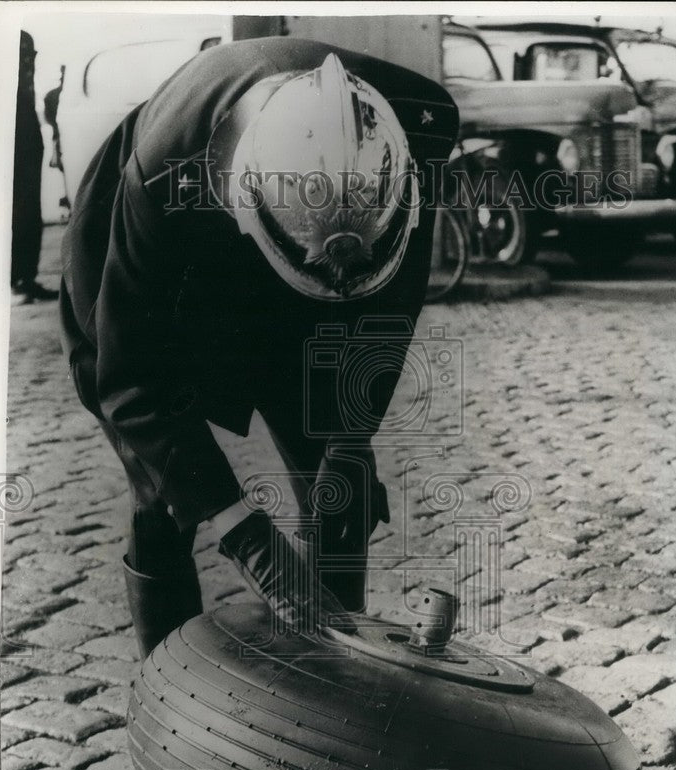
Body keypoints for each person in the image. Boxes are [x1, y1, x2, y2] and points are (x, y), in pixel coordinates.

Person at [59, 38, 459, 658]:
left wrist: (350, 438)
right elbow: (133, 378)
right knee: (165, 490)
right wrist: (243, 533)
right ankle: (166, 685)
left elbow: (389, 312)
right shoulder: (166, 167)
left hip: (312, 277)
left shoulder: (423, 124)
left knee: (340, 483)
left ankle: (339, 671)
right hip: (172, 272)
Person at [12, 31, 59, 305]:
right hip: (15, 142)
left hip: (28, 141)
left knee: (29, 214)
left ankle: (25, 279)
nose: (29, 64)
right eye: (24, 57)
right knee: (17, 214)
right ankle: (17, 281)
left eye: (31, 57)